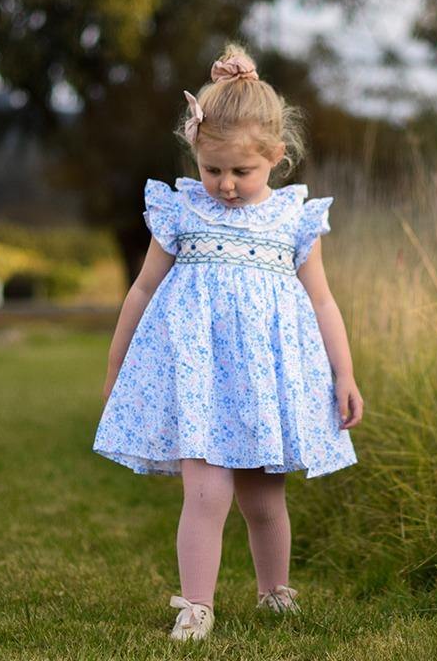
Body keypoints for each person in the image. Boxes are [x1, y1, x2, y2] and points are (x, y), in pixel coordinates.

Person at [92, 42, 364, 642]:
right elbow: (139, 293)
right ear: (196, 154)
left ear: (276, 157)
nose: (226, 184)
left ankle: (276, 593)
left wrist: (344, 374)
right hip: (199, 379)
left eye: (242, 171)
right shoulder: (182, 211)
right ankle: (196, 604)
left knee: (265, 501)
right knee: (207, 493)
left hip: (266, 381)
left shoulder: (293, 219)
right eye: (212, 169)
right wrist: (118, 370)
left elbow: (323, 302)